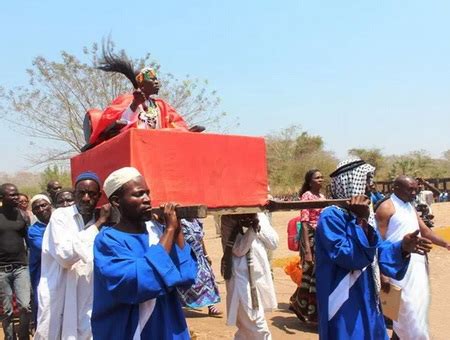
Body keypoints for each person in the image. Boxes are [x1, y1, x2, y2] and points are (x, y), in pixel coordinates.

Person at [315, 159, 432, 340]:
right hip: (344, 298)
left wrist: (402, 247)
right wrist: (360, 222)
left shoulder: (364, 214)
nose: (371, 185)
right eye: (367, 179)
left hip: (367, 292)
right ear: (353, 182)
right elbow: (349, 257)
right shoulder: (331, 216)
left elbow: (376, 253)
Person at [91, 167, 197, 340]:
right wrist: (169, 231)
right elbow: (138, 282)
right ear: (117, 201)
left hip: (167, 326)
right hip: (131, 329)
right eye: (138, 194)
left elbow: (186, 275)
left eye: (147, 193)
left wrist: (176, 230)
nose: (147, 199)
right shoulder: (108, 241)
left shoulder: (157, 232)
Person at [35, 172, 111, 340]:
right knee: (53, 333)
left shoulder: (100, 219)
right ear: (74, 194)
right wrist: (98, 225)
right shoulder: (61, 217)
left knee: (86, 332)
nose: (85, 198)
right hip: (60, 288)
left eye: (91, 194)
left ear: (99, 196)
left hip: (87, 290)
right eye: (81, 193)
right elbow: (65, 256)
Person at [376, 175, 450, 340]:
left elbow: (425, 232)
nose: (414, 192)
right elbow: (377, 243)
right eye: (410, 189)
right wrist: (383, 274)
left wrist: (446, 244)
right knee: (408, 314)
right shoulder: (386, 208)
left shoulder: (409, 206)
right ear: (396, 189)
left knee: (415, 312)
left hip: (417, 267)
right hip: (396, 268)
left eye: (415, 188)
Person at [88, 49, 191, 146]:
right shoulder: (127, 100)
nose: (157, 82)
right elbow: (118, 124)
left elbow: (178, 124)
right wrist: (134, 104)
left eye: (156, 79)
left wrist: (186, 132)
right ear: (142, 85)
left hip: (161, 147)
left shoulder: (161, 105)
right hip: (136, 147)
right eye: (152, 80)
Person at [221, 213, 278, 340]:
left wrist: (257, 224)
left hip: (260, 278)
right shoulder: (228, 218)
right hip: (241, 281)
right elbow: (238, 250)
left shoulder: (260, 215)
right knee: (257, 327)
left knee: (246, 331)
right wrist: (251, 229)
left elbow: (274, 243)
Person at [289, 169, 325, 324]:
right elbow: (304, 224)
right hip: (311, 239)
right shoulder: (307, 196)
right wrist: (308, 251)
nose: (321, 179)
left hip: (322, 239)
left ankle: (306, 307)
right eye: (317, 178)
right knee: (311, 275)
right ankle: (304, 307)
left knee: (315, 277)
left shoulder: (322, 197)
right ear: (310, 182)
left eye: (322, 177)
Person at [0, 183, 31, 340]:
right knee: (7, 311)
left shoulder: (23, 215)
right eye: (11, 195)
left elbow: (29, 241)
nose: (16, 197)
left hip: (21, 268)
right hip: (1, 270)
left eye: (16, 194)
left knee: (25, 306)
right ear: (2, 198)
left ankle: (24, 337)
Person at [177, 218, 222, 316]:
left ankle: (211, 305)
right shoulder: (181, 222)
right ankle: (180, 307)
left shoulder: (196, 222)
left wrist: (206, 255)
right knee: (188, 282)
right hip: (187, 255)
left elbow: (201, 240)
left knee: (208, 279)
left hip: (200, 255)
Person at [26, 194, 52, 325]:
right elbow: (45, 249)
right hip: (42, 274)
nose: (41, 209)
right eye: (37, 208)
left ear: (50, 205)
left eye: (43, 205)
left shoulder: (60, 224)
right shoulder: (33, 230)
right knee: (43, 307)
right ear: (34, 212)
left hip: (62, 271)